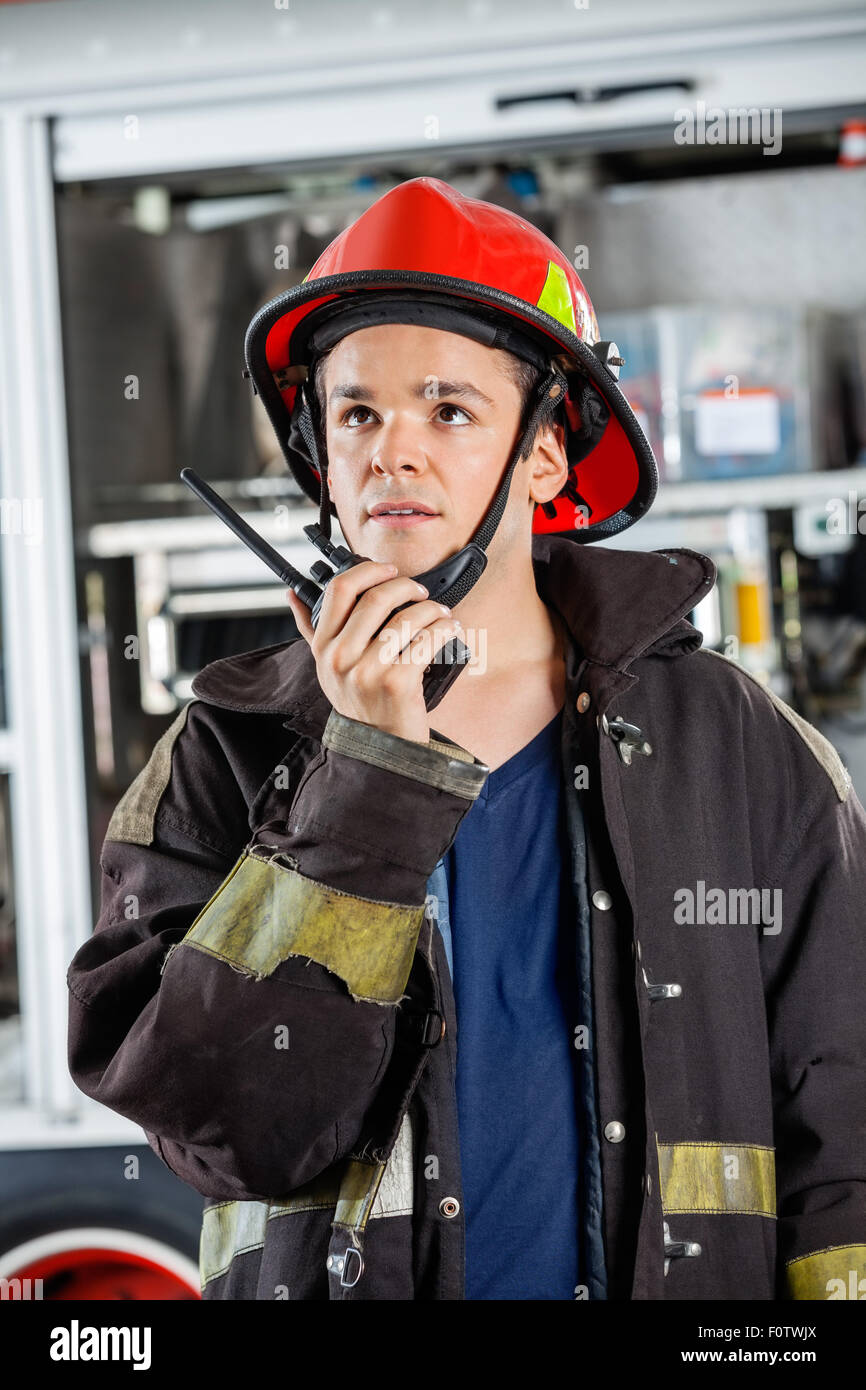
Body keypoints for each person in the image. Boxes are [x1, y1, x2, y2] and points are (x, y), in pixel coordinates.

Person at [67, 177, 866, 1301]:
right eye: (356, 413)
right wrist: (365, 774)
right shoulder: (224, 755)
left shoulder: (736, 749)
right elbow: (231, 1136)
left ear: (545, 458)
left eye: (447, 409)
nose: (393, 451)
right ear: (320, 458)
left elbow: (844, 1137)